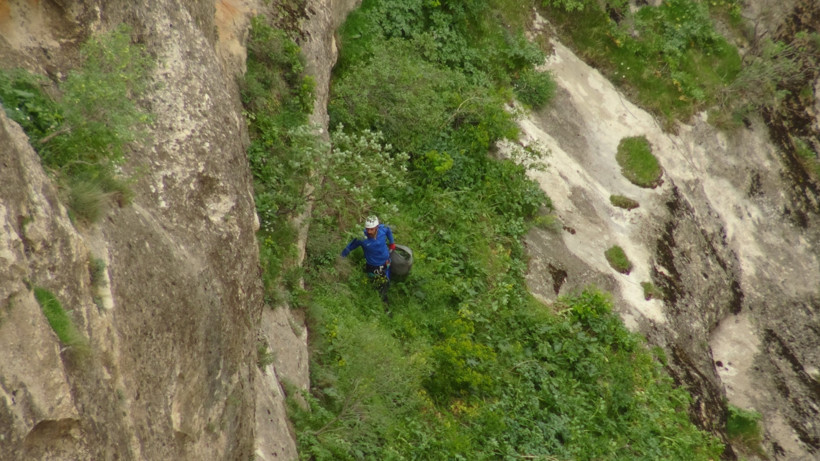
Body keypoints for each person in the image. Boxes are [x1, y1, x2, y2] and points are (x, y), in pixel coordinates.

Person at [341, 215, 396, 304]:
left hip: (386, 262)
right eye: (367, 229)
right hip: (373, 267)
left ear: (377, 227)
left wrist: (392, 243)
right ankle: (385, 307)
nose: (369, 231)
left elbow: (388, 230)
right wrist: (341, 257)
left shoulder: (383, 229)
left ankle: (386, 289)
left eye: (371, 229)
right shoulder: (362, 237)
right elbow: (350, 247)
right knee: (380, 288)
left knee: (387, 282)